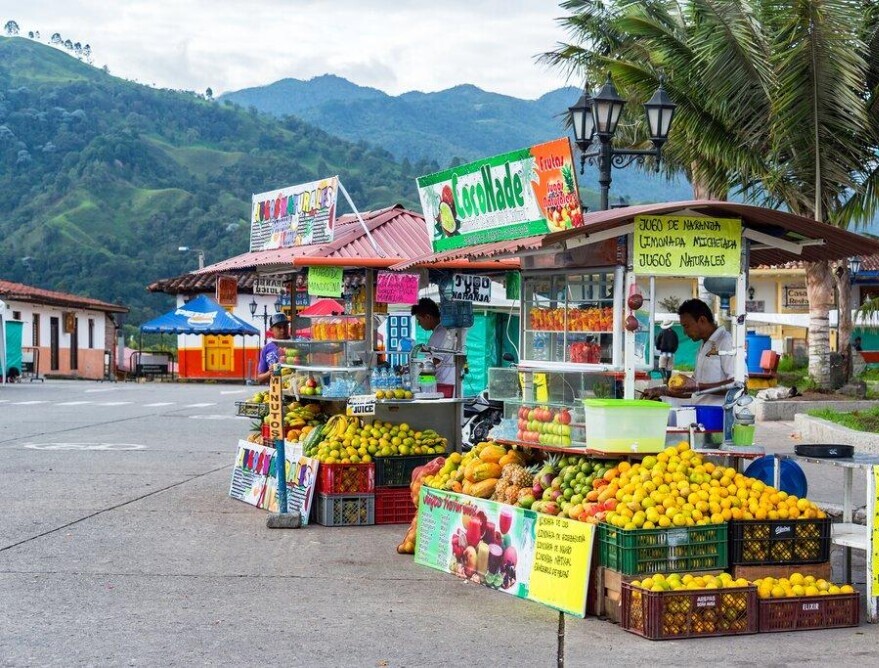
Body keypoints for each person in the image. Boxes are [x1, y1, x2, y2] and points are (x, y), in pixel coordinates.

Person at [643, 299, 734, 406]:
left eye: (686, 326)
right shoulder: (704, 346)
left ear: (702, 320)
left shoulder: (726, 341)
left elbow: (738, 384)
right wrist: (662, 391)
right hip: (702, 414)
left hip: (720, 417)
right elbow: (693, 390)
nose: (685, 332)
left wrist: (697, 386)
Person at [411, 297, 458, 398]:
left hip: (444, 384)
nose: (419, 324)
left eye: (419, 320)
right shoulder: (442, 331)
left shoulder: (441, 333)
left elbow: (434, 361)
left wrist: (413, 369)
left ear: (428, 317)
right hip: (447, 382)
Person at [256, 313, 290, 384]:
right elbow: (259, 379)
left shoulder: (297, 345)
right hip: (275, 393)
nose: (283, 330)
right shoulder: (266, 349)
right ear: (271, 329)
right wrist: (269, 373)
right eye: (279, 327)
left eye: (285, 326)